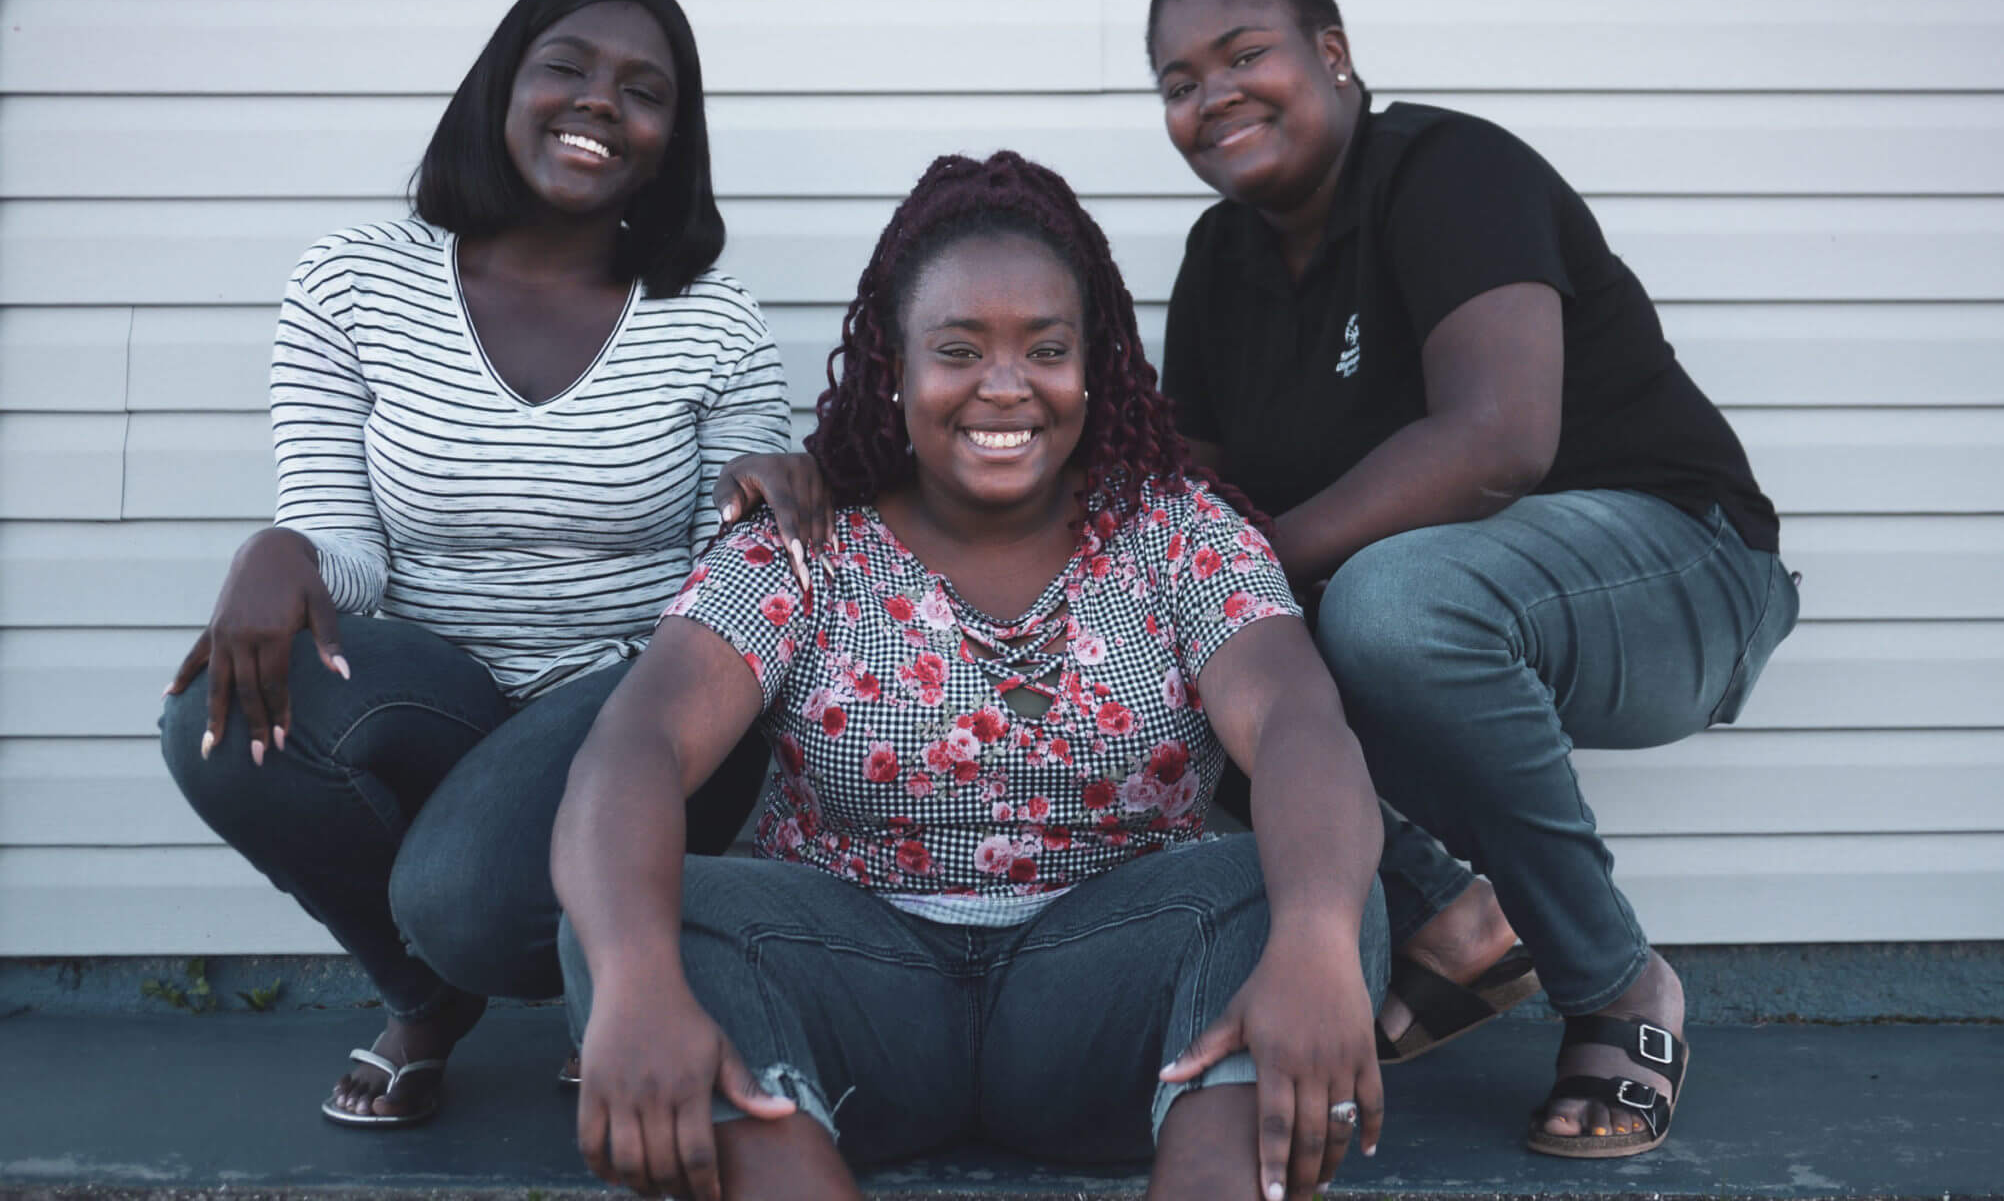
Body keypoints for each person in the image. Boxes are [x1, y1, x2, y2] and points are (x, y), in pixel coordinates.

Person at [551, 150, 1389, 1201]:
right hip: (855, 995)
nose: (1006, 384)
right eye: (958, 349)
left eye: (1046, 347)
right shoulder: (810, 545)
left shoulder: (1180, 533)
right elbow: (636, 744)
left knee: (1301, 894)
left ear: (1097, 364)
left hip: (1107, 1002)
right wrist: (632, 981)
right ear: (893, 368)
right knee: (646, 917)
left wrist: (1316, 936)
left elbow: (1302, 724)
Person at [1145, 0, 1800, 1159]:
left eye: (1245, 55)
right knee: (1179, 648)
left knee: (1389, 604)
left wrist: (1262, 566)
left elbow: (1500, 437)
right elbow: (1199, 501)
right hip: (1458, 595)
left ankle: (1614, 983)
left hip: (1681, 569)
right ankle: (1455, 914)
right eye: (1179, 82)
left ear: (1333, 56)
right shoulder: (1216, 264)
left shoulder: (1448, 170)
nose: (1212, 96)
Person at [158, 0, 829, 1127]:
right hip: (439, 687)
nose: (601, 102)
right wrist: (283, 552)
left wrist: (756, 499)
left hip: (629, 687)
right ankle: (424, 996)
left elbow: (731, 590)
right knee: (220, 726)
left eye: (643, 89)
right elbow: (345, 551)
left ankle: (605, 972)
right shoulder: (353, 281)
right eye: (567, 67)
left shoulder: (712, 319)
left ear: (673, 137)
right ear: (503, 88)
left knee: (467, 894)